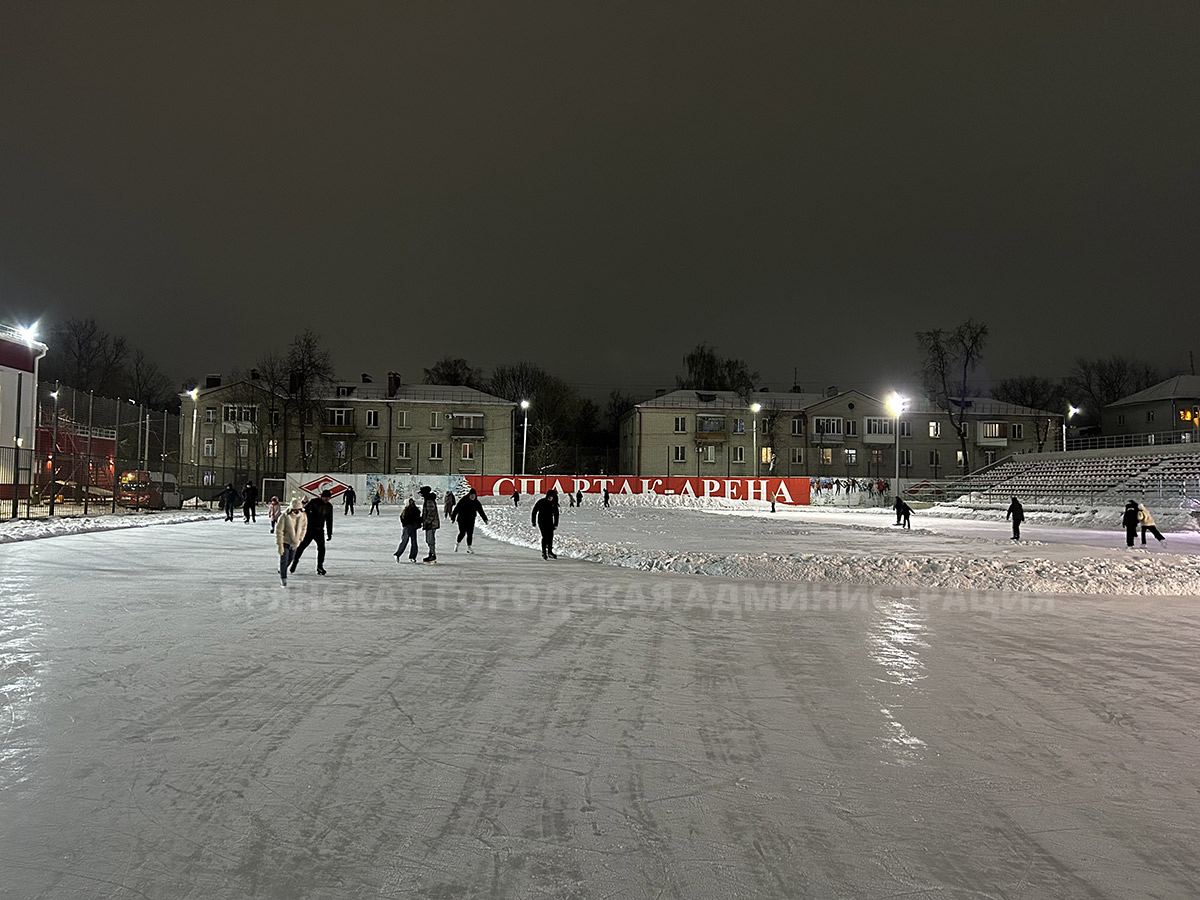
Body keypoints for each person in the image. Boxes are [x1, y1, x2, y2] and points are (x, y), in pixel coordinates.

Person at [291, 489, 334, 575]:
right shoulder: (314, 502)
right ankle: (295, 561)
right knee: (302, 546)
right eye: (325, 497)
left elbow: (329, 520)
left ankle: (320, 566)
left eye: (328, 498)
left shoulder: (329, 506)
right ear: (321, 496)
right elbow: (304, 512)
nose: (326, 499)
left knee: (321, 548)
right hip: (309, 529)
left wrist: (329, 533)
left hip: (319, 530)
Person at [276, 498, 307, 587]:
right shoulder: (285, 516)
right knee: (284, 560)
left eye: (297, 509)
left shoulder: (303, 516)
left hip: (295, 543)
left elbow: (304, 528)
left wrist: (300, 539)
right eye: (294, 509)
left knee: (290, 560)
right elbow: (279, 531)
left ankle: (282, 569)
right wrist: (280, 545)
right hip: (285, 541)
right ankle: (283, 579)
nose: (296, 511)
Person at [451, 487, 488, 552]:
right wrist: (453, 517)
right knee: (462, 532)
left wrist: (485, 519)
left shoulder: (476, 502)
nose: (472, 497)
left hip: (471, 520)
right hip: (461, 519)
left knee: (470, 533)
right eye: (471, 495)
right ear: (469, 495)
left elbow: (481, 511)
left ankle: (469, 547)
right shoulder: (464, 500)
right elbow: (457, 508)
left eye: (474, 495)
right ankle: (457, 544)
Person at [532, 488, 560, 559]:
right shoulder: (541, 502)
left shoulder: (554, 504)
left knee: (550, 536)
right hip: (541, 522)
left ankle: (550, 551)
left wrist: (556, 524)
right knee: (545, 536)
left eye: (552, 497)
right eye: (549, 496)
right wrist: (533, 521)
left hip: (550, 522)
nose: (550, 498)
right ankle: (544, 552)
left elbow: (556, 515)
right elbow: (534, 511)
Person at [394, 498, 422, 562]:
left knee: (414, 542)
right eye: (411, 501)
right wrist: (406, 525)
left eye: (412, 501)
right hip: (407, 527)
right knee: (404, 541)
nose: (412, 502)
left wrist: (418, 523)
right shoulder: (406, 510)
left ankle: (412, 557)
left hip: (413, 527)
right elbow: (402, 518)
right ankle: (397, 554)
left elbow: (418, 518)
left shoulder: (416, 510)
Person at [419, 485, 440, 563]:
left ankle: (432, 554)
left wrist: (426, 521)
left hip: (431, 524)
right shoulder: (428, 499)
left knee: (430, 540)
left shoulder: (429, 500)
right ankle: (431, 553)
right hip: (431, 523)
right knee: (429, 540)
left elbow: (431, 513)